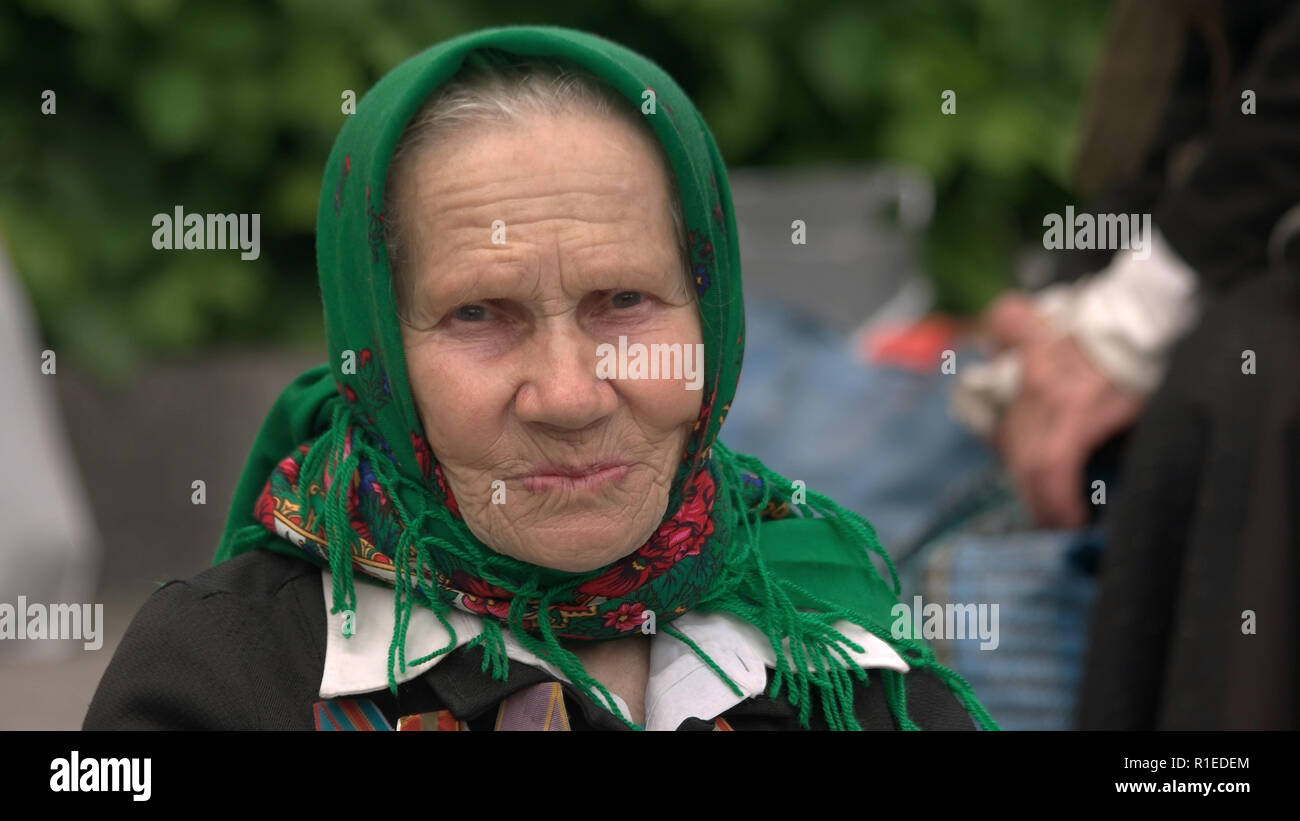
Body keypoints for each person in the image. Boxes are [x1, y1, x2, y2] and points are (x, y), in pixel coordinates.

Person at [83, 26, 996, 731]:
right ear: (382, 358)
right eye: (479, 314)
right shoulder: (226, 679)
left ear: (712, 323)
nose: (568, 394)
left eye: (626, 300)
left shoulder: (845, 657)